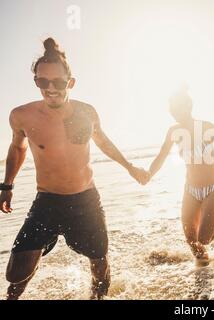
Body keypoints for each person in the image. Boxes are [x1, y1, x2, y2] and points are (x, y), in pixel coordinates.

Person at [0, 38, 148, 300]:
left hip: (85, 200)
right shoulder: (21, 116)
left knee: (99, 261)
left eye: (57, 82)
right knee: (16, 273)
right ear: (36, 81)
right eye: (42, 82)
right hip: (47, 200)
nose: (50, 88)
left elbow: (103, 141)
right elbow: (18, 148)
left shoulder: (86, 112)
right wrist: (7, 185)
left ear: (70, 82)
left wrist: (130, 167)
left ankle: (96, 298)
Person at [145, 87, 214, 265]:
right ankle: (204, 271)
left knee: (204, 240)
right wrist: (148, 174)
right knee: (192, 242)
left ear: (187, 106)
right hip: (191, 190)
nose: (172, 112)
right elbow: (161, 156)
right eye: (171, 109)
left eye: (175, 108)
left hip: (212, 189)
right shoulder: (173, 132)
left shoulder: (207, 127)